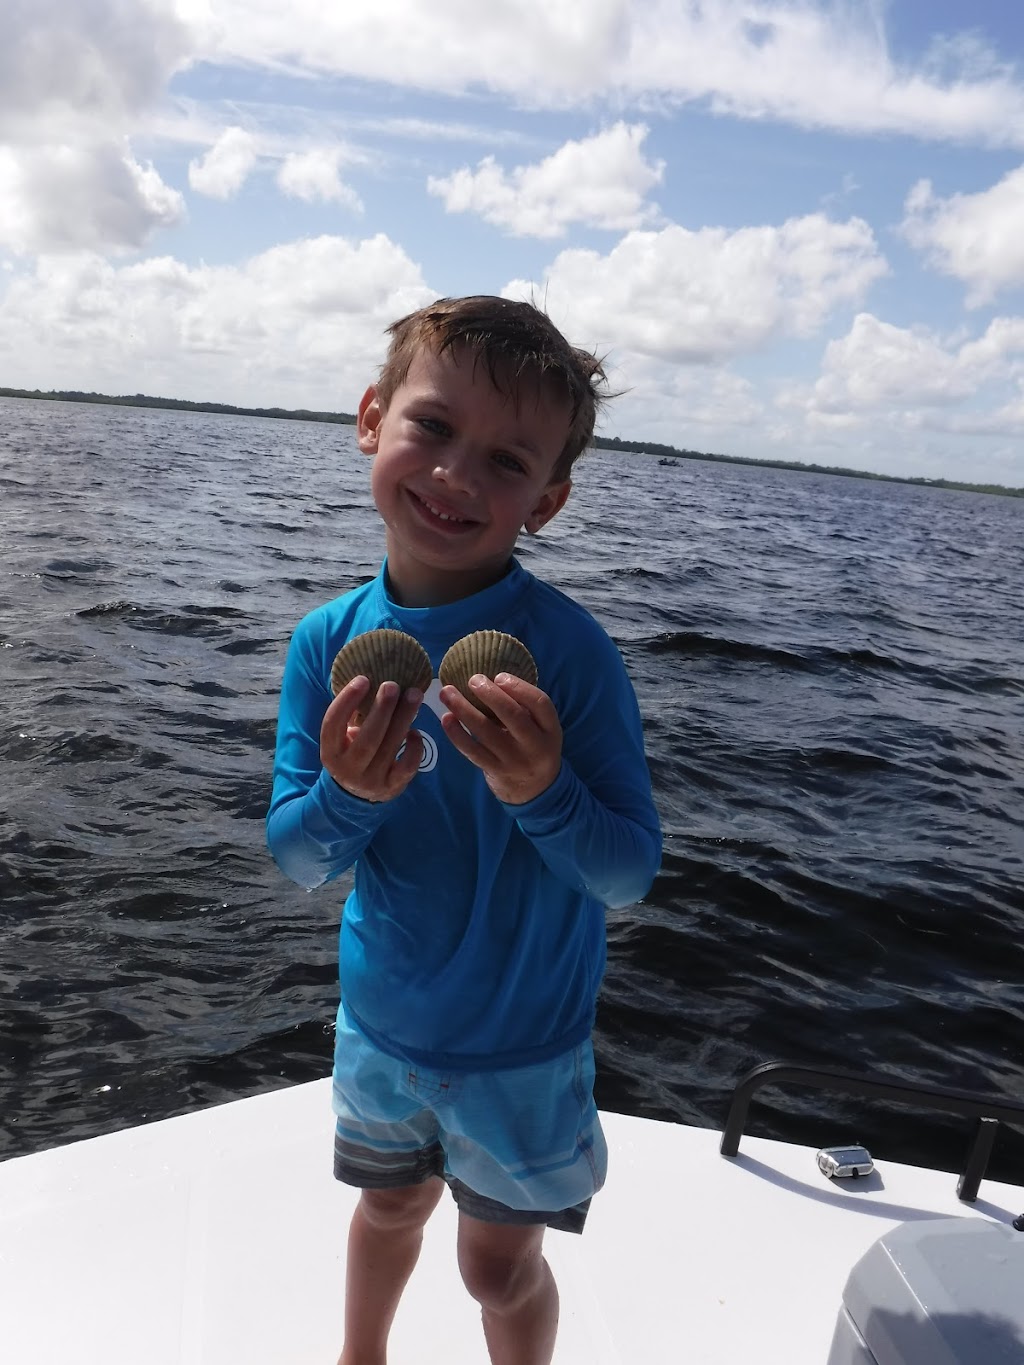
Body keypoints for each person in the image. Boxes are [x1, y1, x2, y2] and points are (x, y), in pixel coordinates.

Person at [267, 295, 662, 1365]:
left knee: (495, 1267)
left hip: (523, 1051)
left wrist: (543, 788)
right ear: (370, 418)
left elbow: (627, 873)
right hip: (381, 1029)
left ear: (549, 499)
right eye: (433, 429)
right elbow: (300, 856)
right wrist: (349, 793)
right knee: (386, 1211)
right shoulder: (323, 643)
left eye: (506, 460)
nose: (454, 476)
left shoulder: (571, 655)